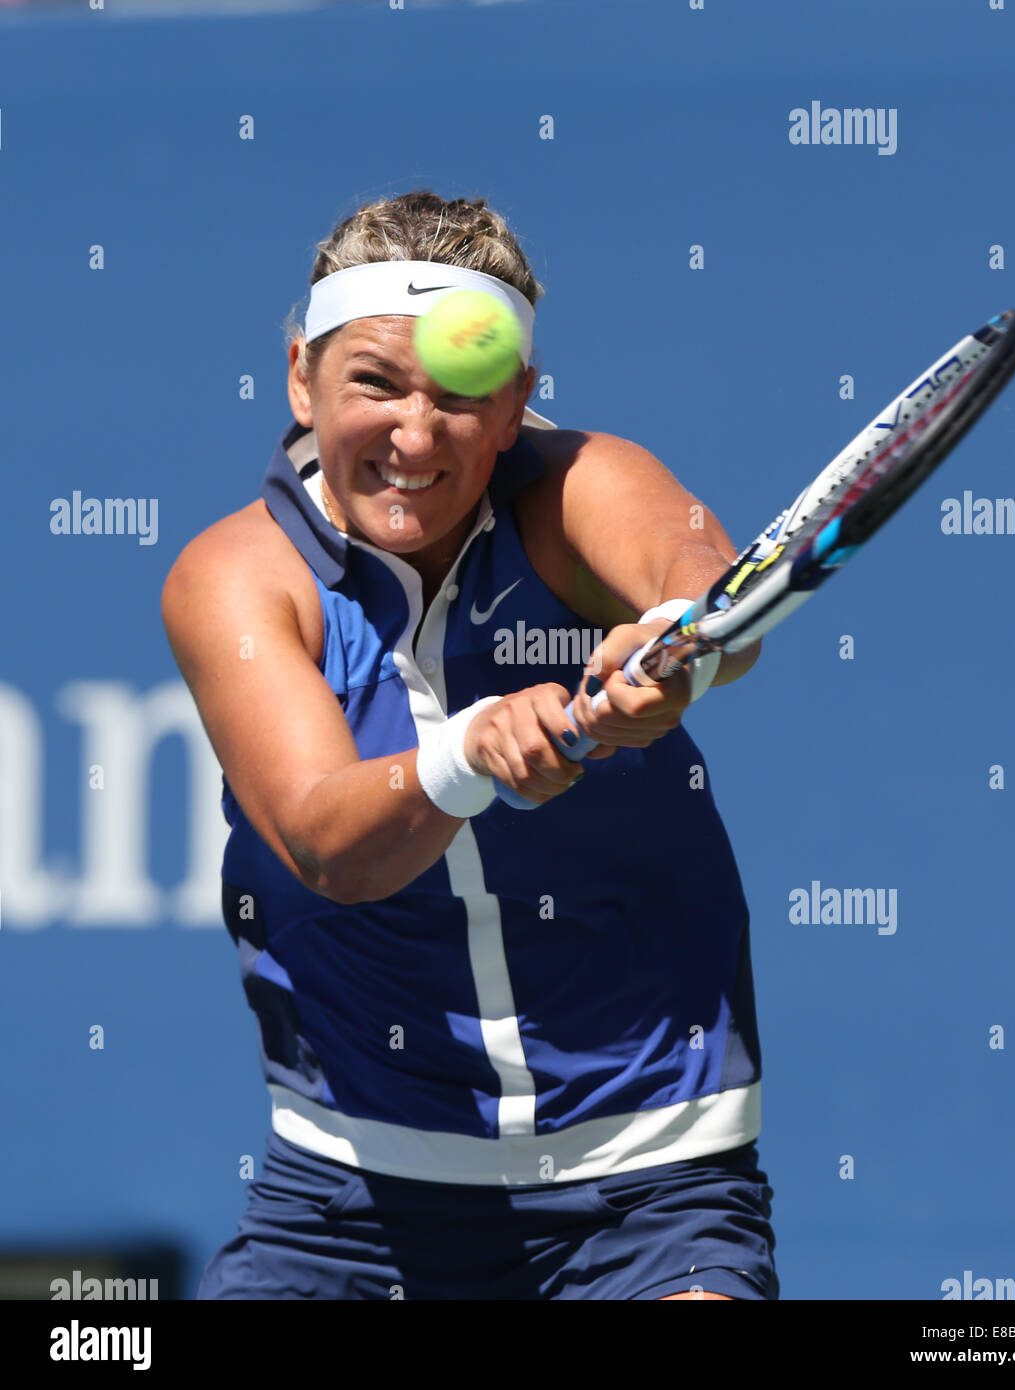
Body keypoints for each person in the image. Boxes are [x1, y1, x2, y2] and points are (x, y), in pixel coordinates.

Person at [162, 189, 776, 1301]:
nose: (414, 433)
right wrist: (470, 751)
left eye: (461, 397)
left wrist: (671, 646)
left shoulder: (578, 487)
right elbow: (328, 844)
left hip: (647, 1187)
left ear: (516, 406)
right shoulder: (234, 578)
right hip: (348, 1207)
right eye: (375, 384)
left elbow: (702, 589)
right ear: (301, 376)